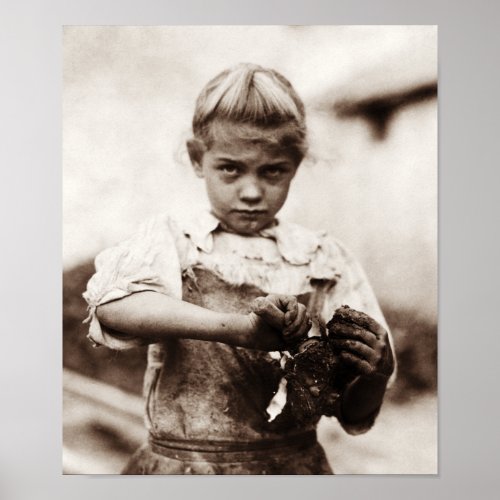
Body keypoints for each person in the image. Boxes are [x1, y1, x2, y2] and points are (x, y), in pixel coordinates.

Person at [83, 63, 395, 474]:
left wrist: (378, 369)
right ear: (198, 159)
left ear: (296, 164)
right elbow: (112, 306)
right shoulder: (175, 242)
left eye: (273, 171)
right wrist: (237, 330)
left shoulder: (323, 259)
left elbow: (354, 413)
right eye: (230, 168)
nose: (251, 192)